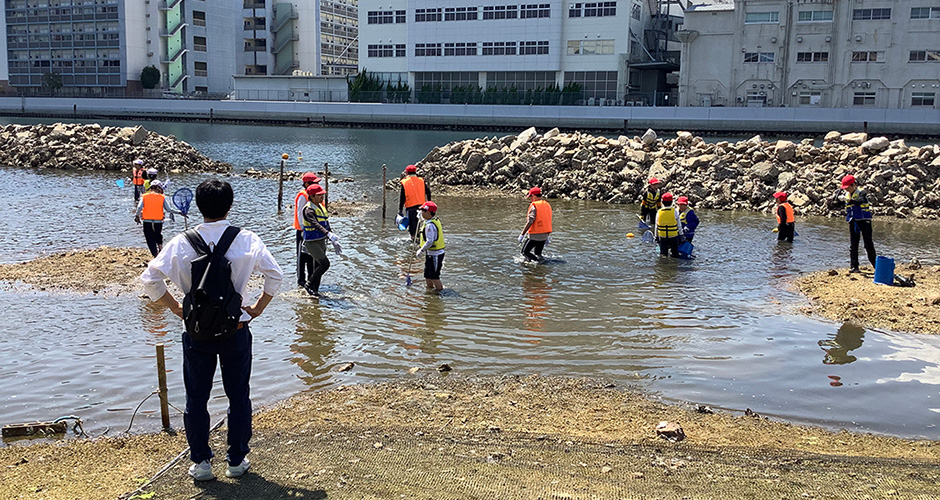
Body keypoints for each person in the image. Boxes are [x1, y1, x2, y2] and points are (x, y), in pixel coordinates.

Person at [140, 179, 283, 482]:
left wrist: (176, 308)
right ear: (229, 205)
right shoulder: (246, 239)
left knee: (196, 397)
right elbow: (275, 275)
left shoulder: (181, 242)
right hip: (236, 328)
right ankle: (236, 459)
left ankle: (202, 463)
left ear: (198, 206)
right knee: (239, 395)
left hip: (196, 332)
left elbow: (150, 279)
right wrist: (256, 309)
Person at [302, 183, 340, 298]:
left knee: (317, 265)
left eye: (322, 195)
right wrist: (328, 234)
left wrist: (332, 238)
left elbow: (325, 223)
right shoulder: (308, 210)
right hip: (312, 242)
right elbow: (316, 224)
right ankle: (309, 285)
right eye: (319, 195)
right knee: (325, 264)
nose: (322, 197)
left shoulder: (320, 207)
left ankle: (315, 290)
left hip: (321, 241)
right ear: (312, 196)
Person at [832, 174, 876, 273]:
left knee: (868, 244)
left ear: (853, 185)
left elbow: (859, 201)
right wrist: (836, 198)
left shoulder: (862, 192)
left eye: (848, 188)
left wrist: (848, 199)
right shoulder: (847, 195)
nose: (847, 190)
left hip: (864, 221)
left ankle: (876, 266)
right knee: (853, 245)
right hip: (853, 221)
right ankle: (854, 266)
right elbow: (834, 205)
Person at [135, 180, 179, 257]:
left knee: (150, 239)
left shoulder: (145, 196)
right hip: (158, 221)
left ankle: (155, 255)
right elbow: (169, 209)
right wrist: (180, 212)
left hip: (147, 221)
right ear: (159, 188)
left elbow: (139, 207)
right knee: (158, 235)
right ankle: (160, 247)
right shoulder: (162, 197)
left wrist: (137, 216)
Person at [292, 172, 320, 287]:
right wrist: (304, 230)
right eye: (315, 183)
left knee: (310, 256)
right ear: (307, 183)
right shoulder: (303, 196)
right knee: (301, 257)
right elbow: (300, 214)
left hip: (312, 231)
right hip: (303, 231)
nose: (317, 185)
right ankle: (301, 281)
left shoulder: (313, 195)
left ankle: (310, 279)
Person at [416, 201, 445, 291]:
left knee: (434, 277)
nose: (421, 213)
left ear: (428, 213)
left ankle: (439, 293)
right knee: (427, 275)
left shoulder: (430, 225)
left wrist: (421, 250)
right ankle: (430, 293)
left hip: (435, 254)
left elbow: (430, 241)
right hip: (430, 254)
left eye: (423, 211)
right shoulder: (428, 222)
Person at [519, 187, 553, 262]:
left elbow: (530, 221)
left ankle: (538, 264)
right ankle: (540, 268)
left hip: (535, 236)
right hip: (544, 236)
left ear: (534, 196)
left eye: (531, 196)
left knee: (525, 252)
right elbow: (547, 219)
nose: (530, 199)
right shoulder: (547, 204)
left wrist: (522, 234)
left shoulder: (534, 206)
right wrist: (547, 236)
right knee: (538, 253)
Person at [398, 164, 431, 241]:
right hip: (422, 208)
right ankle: (421, 240)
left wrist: (400, 209)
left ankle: (413, 242)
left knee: (412, 228)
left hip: (411, 208)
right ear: (415, 172)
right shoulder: (421, 180)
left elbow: (402, 198)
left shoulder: (405, 182)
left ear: (406, 173)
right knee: (421, 226)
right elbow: (428, 192)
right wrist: (429, 203)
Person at [655, 192, 681, 257]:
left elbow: (656, 226)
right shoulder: (675, 212)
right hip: (673, 236)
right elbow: (679, 225)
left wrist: (656, 236)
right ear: (672, 202)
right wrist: (681, 235)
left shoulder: (659, 212)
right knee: (675, 253)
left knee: (663, 254)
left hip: (662, 236)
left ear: (662, 202)